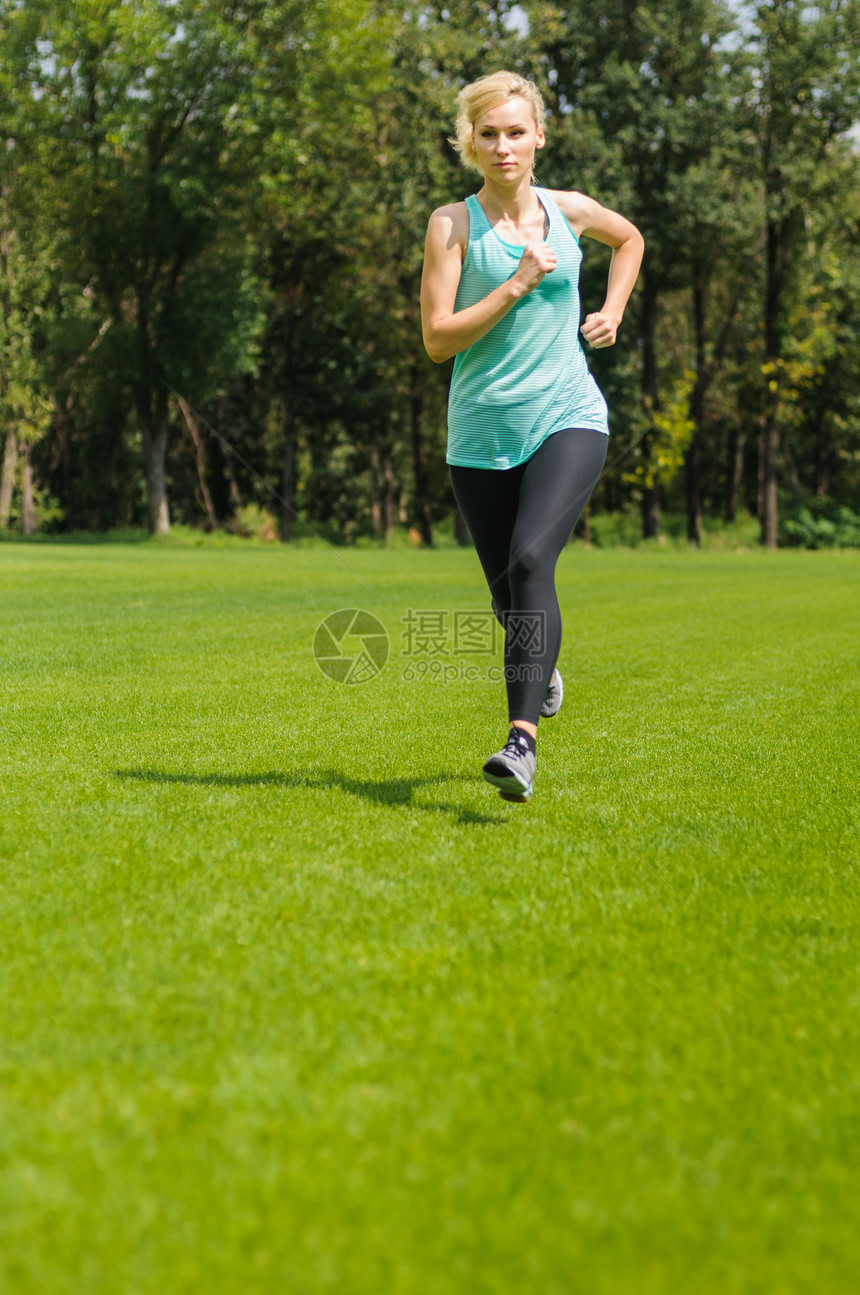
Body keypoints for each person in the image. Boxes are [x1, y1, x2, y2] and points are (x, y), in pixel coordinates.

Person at [420, 70, 644, 803]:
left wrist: (612, 307)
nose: (504, 146)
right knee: (507, 602)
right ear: (470, 144)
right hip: (481, 433)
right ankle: (540, 668)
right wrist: (513, 285)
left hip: (567, 413)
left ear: (539, 136)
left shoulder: (569, 210)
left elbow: (630, 238)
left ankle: (521, 743)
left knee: (528, 559)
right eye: (488, 134)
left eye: (516, 131)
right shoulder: (451, 225)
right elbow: (436, 340)